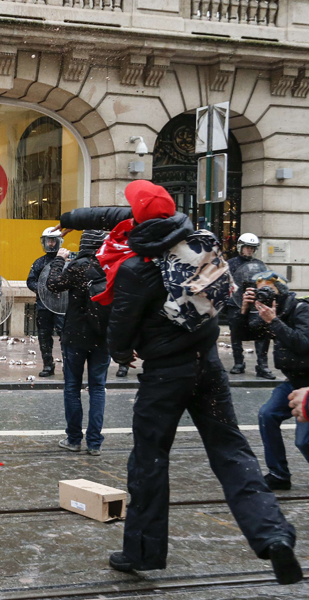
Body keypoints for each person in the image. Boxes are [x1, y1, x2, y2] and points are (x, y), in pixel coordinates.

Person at [59, 180, 302, 585]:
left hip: (164, 376)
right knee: (232, 452)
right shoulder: (193, 238)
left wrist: (122, 353)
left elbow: (120, 328)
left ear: (139, 218)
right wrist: (72, 218)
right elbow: (112, 214)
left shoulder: (137, 267)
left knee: (149, 461)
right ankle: (273, 535)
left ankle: (143, 552)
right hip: (208, 366)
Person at [45, 230, 110, 456]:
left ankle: (74, 439)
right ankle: (94, 443)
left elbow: (53, 284)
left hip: (75, 335)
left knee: (72, 387)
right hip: (102, 336)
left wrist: (59, 260)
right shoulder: (109, 267)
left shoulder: (76, 267)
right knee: (98, 388)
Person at [243, 272, 309, 490]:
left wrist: (274, 321)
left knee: (304, 441)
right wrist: (244, 309)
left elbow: (303, 344)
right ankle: (279, 474)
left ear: (281, 292)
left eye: (269, 290)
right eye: (260, 291)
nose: (264, 294)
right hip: (293, 381)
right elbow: (244, 333)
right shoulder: (272, 311)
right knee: (267, 414)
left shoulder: (300, 309)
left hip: (307, 383)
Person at [227, 233, 274, 379]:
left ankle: (262, 366)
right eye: (247, 247)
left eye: (252, 248)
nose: (250, 250)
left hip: (255, 304)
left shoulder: (260, 264)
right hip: (235, 303)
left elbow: (266, 283)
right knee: (236, 333)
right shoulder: (230, 264)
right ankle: (238, 363)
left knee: (262, 333)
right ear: (240, 247)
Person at [27, 227, 65, 377]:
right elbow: (30, 281)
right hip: (44, 306)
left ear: (59, 241)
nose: (51, 243)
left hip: (62, 306)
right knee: (44, 336)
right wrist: (43, 289)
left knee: (65, 336)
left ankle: (68, 366)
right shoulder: (39, 262)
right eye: (48, 241)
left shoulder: (66, 260)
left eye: (53, 241)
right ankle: (48, 365)